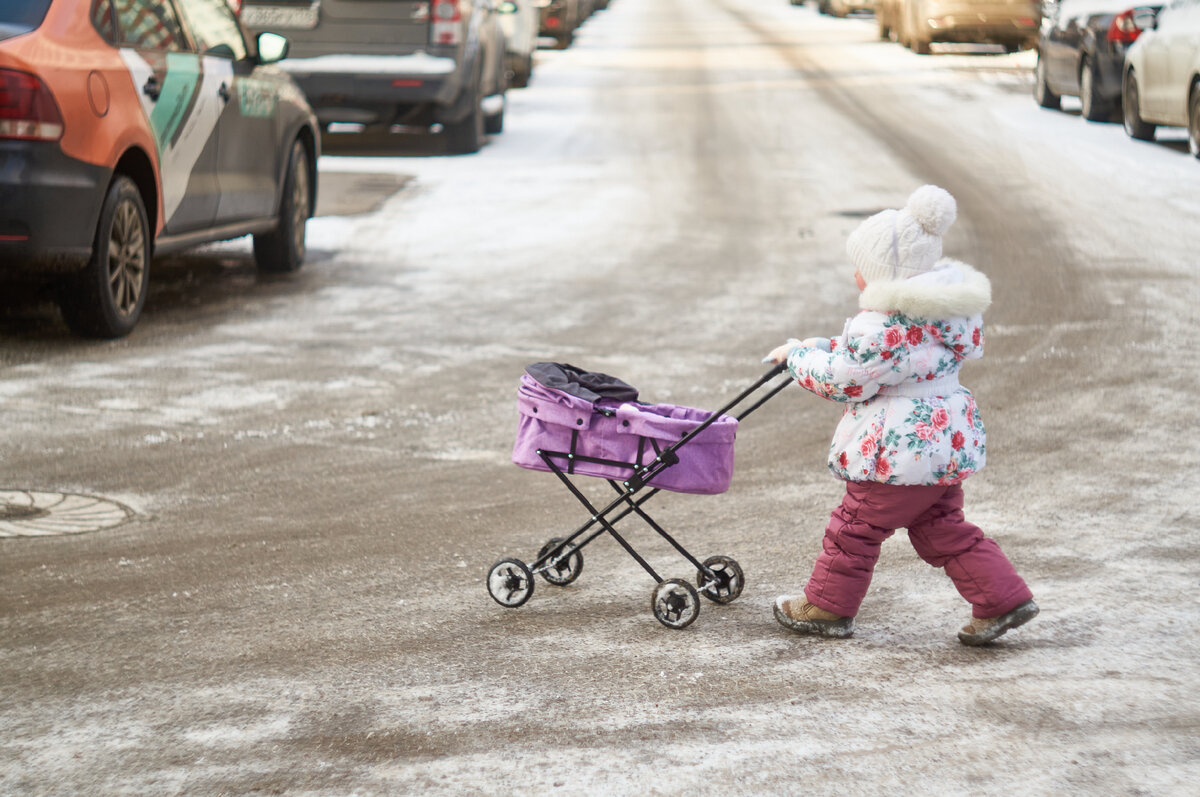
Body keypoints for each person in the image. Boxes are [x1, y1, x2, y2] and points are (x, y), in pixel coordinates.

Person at [764, 185, 1037, 646]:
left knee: (854, 527)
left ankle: (826, 607)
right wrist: (819, 346)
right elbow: (885, 360)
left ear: (883, 277)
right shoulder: (941, 319)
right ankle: (1001, 598)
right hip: (943, 447)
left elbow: (846, 378)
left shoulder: (882, 327)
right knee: (941, 527)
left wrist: (797, 360)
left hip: (896, 453)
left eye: (861, 269)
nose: (856, 275)